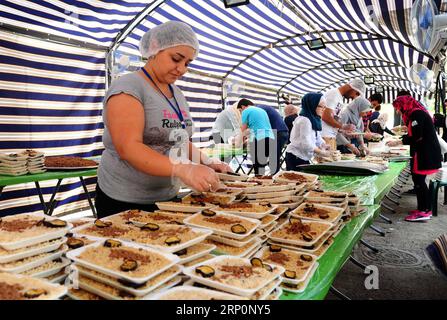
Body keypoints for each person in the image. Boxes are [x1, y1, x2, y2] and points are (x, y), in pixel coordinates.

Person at [95, 21, 231, 218]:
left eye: (187, 63)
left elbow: (180, 141)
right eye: (176, 59)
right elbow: (129, 148)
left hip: (166, 197)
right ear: (154, 49)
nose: (182, 69)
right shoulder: (128, 88)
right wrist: (184, 169)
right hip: (125, 200)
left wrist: (207, 162)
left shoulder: (177, 94)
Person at [387, 96, 442, 222]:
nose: (397, 111)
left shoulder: (417, 114)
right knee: (418, 181)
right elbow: (415, 133)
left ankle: (425, 211)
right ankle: (422, 208)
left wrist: (399, 142)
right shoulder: (415, 113)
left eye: (397, 108)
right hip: (422, 152)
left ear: (404, 105)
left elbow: (417, 136)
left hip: (425, 153)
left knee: (419, 181)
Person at [285, 93, 329, 170]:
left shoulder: (314, 119)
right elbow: (305, 143)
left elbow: (317, 137)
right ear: (312, 105)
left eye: (324, 107)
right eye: (320, 106)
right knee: (297, 180)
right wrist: (320, 152)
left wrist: (323, 144)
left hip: (303, 157)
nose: (323, 109)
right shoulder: (305, 120)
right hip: (296, 156)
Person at [321, 79, 366, 150]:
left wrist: (343, 131)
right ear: (352, 88)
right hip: (325, 136)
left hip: (330, 136)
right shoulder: (333, 94)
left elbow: (334, 119)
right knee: (326, 160)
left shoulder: (339, 98)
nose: (354, 98)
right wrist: (343, 126)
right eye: (357, 93)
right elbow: (325, 117)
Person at [239, 99, 275, 175]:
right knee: (264, 166)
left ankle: (260, 184)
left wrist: (241, 144)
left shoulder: (246, 111)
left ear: (242, 107)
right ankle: (267, 184)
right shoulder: (262, 110)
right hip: (271, 138)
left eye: (240, 110)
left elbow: (243, 130)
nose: (240, 113)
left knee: (258, 168)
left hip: (260, 139)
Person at [256, 104, 289, 174]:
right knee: (272, 157)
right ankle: (270, 178)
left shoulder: (256, 110)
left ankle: (271, 179)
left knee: (271, 158)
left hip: (277, 132)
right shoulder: (261, 108)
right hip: (281, 131)